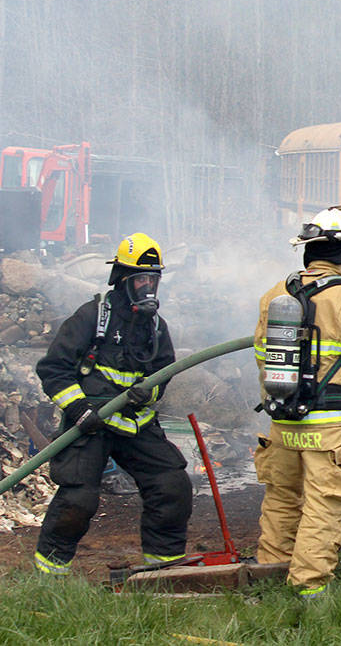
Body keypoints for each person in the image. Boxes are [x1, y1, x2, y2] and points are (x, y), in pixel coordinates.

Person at [253, 207, 341, 598]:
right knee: (323, 507)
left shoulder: (274, 295)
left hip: (283, 422)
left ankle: (269, 580)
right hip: (331, 430)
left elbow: (263, 358)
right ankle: (308, 594)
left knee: (281, 502)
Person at [33, 232, 192, 575]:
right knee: (78, 500)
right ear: (122, 280)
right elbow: (53, 369)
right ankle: (49, 575)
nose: (148, 286)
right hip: (91, 423)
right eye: (141, 279)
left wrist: (145, 394)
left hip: (135, 424)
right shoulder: (92, 316)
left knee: (171, 485)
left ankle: (163, 570)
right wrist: (77, 409)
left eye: (153, 279)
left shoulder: (156, 328)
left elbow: (163, 373)